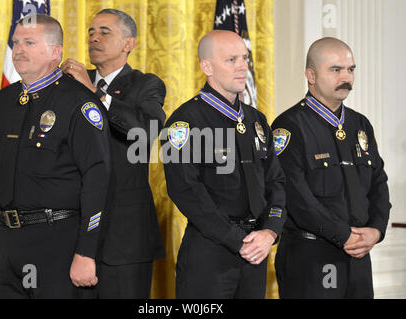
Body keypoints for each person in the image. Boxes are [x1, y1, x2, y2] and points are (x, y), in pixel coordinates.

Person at [0, 14, 112, 298]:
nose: (18, 50)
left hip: (56, 242)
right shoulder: (1, 102)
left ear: (55, 52)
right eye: (16, 42)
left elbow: (98, 178)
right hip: (5, 244)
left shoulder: (79, 102)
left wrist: (86, 251)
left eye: (29, 42)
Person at [161, 30, 286, 298]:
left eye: (244, 58)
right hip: (211, 253)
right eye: (231, 60)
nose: (243, 66)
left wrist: (270, 231)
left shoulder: (256, 120)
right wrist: (234, 239)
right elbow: (185, 191)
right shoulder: (184, 122)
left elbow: (276, 181)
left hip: (256, 250)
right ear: (207, 67)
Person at [272, 37, 391, 298]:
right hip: (312, 257)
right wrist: (343, 235)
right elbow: (296, 197)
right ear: (311, 75)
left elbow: (378, 185)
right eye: (336, 70)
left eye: (350, 69)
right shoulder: (289, 126)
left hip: (359, 256)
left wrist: (376, 230)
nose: (346, 77)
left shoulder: (360, 124)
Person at [60, 9, 166, 298]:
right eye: (91, 32)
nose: (94, 38)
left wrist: (94, 92)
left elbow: (144, 130)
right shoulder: (68, 85)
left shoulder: (147, 84)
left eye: (105, 32)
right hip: (72, 230)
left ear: (128, 43)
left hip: (126, 237)